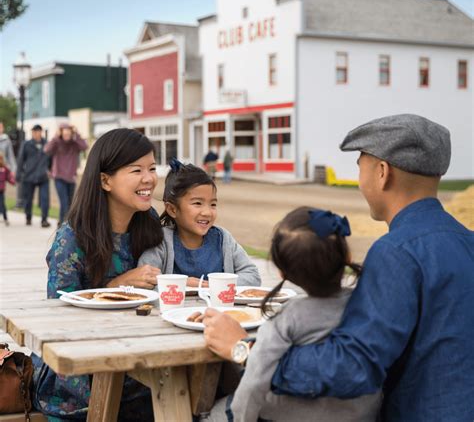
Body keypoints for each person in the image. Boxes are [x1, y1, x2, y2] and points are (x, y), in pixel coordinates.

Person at [203, 114, 474, 422]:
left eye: (360, 166)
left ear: (382, 173)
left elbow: (353, 368)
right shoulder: (468, 242)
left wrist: (244, 350)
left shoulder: (395, 252)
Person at [32, 128, 164, 421]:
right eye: (136, 170)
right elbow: (58, 312)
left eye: (152, 168)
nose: (149, 179)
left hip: (137, 361)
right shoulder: (73, 238)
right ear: (105, 180)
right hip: (78, 380)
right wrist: (118, 285)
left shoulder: (149, 222)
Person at [228, 207, 381, 422]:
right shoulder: (369, 305)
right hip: (363, 414)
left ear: (282, 272)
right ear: (347, 256)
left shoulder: (285, 320)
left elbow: (254, 383)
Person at [138, 158, 260, 287]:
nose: (207, 212)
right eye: (197, 203)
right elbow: (145, 281)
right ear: (172, 209)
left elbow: (252, 276)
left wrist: (210, 286)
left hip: (217, 308)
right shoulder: (160, 241)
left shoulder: (223, 239)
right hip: (174, 307)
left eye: (213, 204)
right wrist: (182, 284)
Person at [44, 123, 88, 225]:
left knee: (69, 204)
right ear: (61, 133)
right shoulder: (57, 143)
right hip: (59, 177)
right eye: (65, 132)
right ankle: (64, 225)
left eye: (69, 132)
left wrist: (76, 134)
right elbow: (46, 149)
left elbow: (85, 146)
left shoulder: (74, 144)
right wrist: (55, 136)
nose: (67, 135)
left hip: (71, 178)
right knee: (64, 203)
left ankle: (62, 223)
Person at [16, 124, 51, 227]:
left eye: (38, 131)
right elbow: (20, 160)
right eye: (34, 132)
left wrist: (50, 169)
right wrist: (19, 174)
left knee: (45, 198)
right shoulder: (26, 144)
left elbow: (51, 159)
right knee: (28, 199)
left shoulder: (47, 144)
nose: (36, 133)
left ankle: (44, 219)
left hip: (43, 176)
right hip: (29, 176)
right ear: (32, 133)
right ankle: (28, 217)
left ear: (41, 132)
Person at [0, 151, 15, 226]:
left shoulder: (4, 169)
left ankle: (5, 218)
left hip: (1, 190)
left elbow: (9, 177)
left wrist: (13, 182)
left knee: (2, 204)